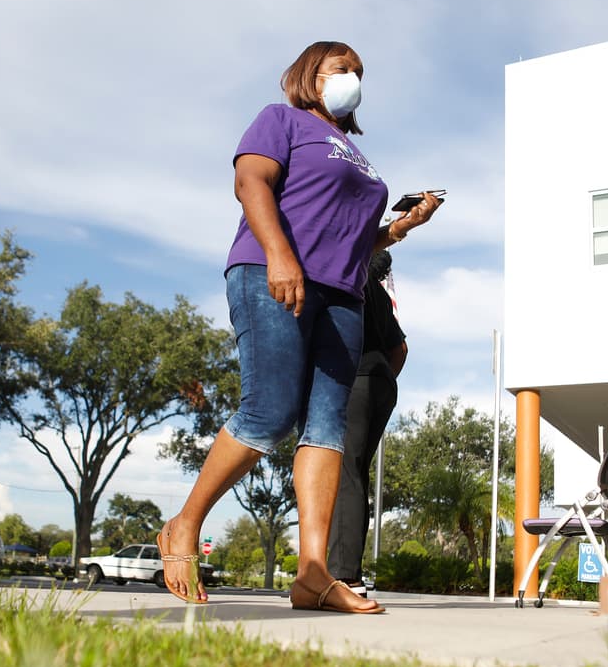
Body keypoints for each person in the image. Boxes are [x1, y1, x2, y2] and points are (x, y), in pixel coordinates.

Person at [157, 40, 439, 612]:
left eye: (360, 72)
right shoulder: (280, 120)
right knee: (271, 409)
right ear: (311, 74)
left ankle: (313, 572)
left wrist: (401, 226)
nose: (353, 79)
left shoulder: (356, 152)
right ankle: (184, 524)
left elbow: (355, 237)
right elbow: (251, 184)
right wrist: (280, 255)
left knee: (328, 426)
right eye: (342, 69)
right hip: (271, 272)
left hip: (343, 293)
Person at [327, 248, 405, 597]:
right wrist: (380, 378)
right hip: (380, 380)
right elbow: (400, 349)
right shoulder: (377, 291)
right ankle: (341, 572)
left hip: (356, 377)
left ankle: (344, 577)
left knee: (344, 473)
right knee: (353, 474)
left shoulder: (341, 271)